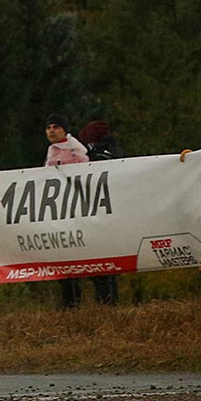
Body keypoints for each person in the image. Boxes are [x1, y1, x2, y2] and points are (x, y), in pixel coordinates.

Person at [44, 114, 89, 308]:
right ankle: (69, 303)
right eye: (48, 128)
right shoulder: (51, 151)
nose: (51, 131)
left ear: (64, 129)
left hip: (78, 210)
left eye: (55, 127)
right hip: (59, 212)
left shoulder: (76, 149)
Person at [78, 120, 123, 305]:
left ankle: (107, 304)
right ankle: (107, 304)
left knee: (103, 266)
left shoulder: (103, 154)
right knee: (103, 266)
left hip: (102, 214)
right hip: (104, 214)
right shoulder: (111, 151)